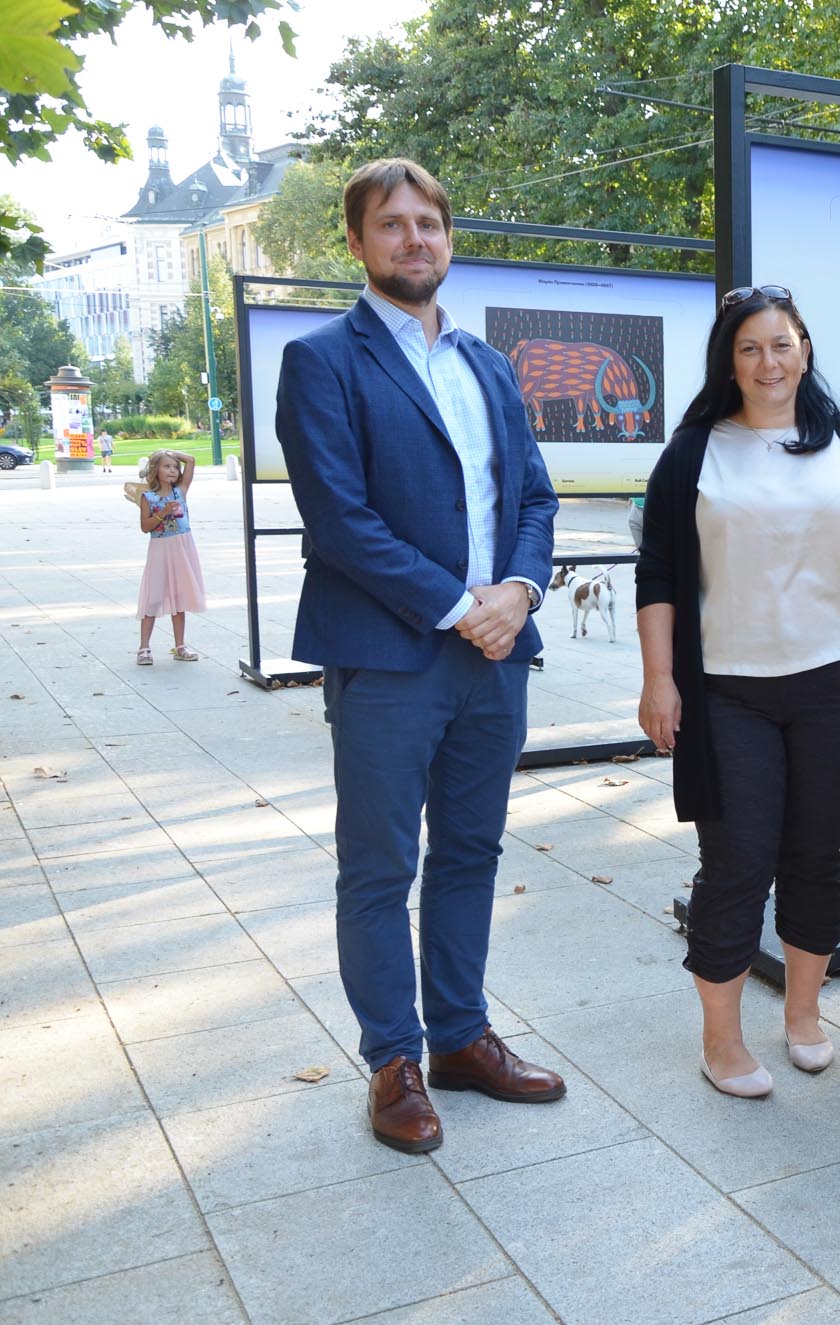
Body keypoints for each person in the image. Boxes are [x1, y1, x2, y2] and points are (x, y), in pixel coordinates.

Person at [275, 158, 565, 1156]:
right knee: (379, 865)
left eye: (428, 223)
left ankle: (461, 1037)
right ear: (356, 241)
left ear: (448, 238)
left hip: (497, 654)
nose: (413, 239)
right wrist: (458, 606)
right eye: (391, 223)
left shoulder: (488, 364)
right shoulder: (322, 360)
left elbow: (535, 497)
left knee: (471, 852)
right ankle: (394, 1059)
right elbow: (340, 521)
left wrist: (518, 591)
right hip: (389, 656)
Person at [636, 285, 840, 1098]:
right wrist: (658, 678)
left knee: (817, 857)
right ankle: (722, 1040)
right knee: (736, 864)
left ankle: (803, 1015)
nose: (768, 362)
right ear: (729, 360)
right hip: (728, 693)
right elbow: (659, 574)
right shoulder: (694, 452)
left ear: (805, 348)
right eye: (750, 347)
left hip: (838, 686)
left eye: (782, 344)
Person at [134, 448, 206, 664]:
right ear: (155, 470)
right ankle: (144, 647)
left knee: (179, 596)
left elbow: (191, 460)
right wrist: (163, 513)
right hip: (160, 548)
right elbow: (145, 527)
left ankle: (180, 646)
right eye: (166, 466)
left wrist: (168, 452)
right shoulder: (148, 497)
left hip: (182, 547)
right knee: (154, 596)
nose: (173, 470)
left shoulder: (180, 491)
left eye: (175, 467)